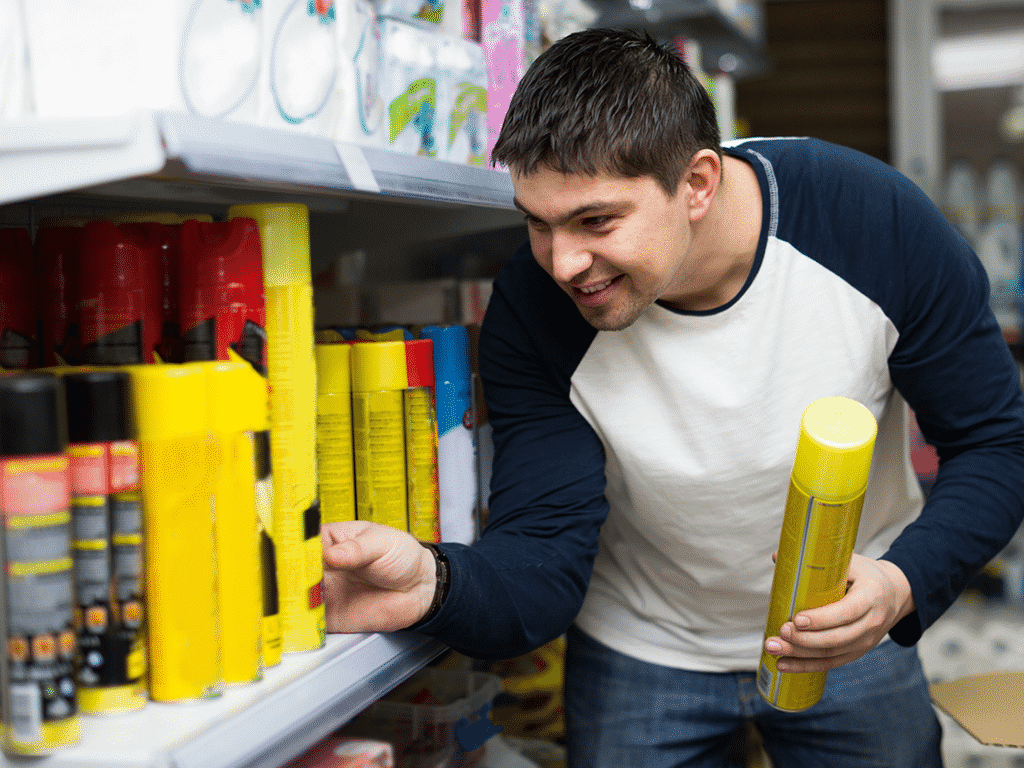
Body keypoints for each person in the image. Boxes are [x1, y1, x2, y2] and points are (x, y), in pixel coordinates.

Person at [322, 27, 1024, 767]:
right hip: (642, 646)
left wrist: (900, 583)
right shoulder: (534, 312)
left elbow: (995, 445)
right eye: (537, 222)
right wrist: (435, 581)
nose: (563, 263)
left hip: (851, 625)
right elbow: (542, 547)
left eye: (597, 220)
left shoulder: (872, 225)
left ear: (697, 184)